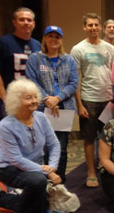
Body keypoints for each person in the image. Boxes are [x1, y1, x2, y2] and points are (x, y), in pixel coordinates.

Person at [0, 79, 61, 213]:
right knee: (38, 180)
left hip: (36, 167)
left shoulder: (41, 117)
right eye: (28, 98)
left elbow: (54, 144)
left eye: (35, 96)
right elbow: (15, 159)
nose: (34, 101)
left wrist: (53, 166)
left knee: (39, 209)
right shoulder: (5, 126)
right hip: (9, 168)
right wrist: (47, 171)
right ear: (16, 101)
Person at [25, 25, 78, 183]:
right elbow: (31, 81)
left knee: (61, 147)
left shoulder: (69, 60)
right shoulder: (36, 58)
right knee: (42, 146)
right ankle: (44, 179)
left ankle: (59, 180)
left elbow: (74, 83)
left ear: (61, 40)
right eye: (50, 36)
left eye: (57, 37)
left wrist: (58, 98)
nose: (54, 39)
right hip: (41, 109)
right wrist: (48, 99)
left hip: (64, 109)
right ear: (45, 39)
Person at [71, 13, 114, 188]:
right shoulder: (78, 49)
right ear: (84, 27)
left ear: (100, 27)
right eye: (89, 25)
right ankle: (91, 173)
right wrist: (79, 104)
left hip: (108, 100)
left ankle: (106, 167)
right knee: (89, 139)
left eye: (96, 25)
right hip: (88, 100)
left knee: (108, 137)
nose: (93, 28)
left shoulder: (109, 48)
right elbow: (76, 79)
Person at [0, 7, 41, 116]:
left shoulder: (37, 45)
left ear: (33, 23)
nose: (26, 22)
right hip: (8, 99)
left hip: (30, 100)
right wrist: (5, 98)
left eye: (29, 20)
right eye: (22, 19)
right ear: (14, 22)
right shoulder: (1, 43)